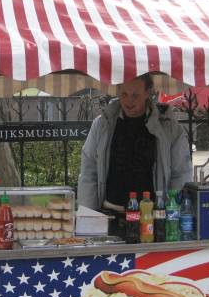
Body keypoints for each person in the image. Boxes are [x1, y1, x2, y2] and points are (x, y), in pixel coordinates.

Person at [77, 74, 192, 232]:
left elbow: (181, 175)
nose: (129, 101)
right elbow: (88, 172)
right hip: (109, 217)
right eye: (124, 94)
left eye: (135, 95)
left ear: (148, 93)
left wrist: (174, 221)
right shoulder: (102, 124)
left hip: (151, 220)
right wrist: (88, 220)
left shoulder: (170, 129)